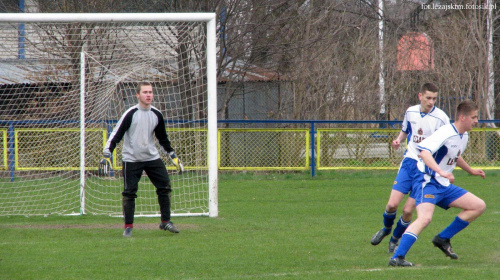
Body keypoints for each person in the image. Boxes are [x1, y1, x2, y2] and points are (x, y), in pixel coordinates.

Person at [389, 100, 486, 266]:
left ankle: (443, 238)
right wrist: (440, 172)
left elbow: (454, 155)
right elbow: (424, 153)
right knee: (424, 219)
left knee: (478, 206)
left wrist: (470, 170)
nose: (476, 120)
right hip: (427, 181)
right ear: (462, 117)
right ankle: (397, 257)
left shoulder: (464, 135)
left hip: (443, 184)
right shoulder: (446, 132)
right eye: (474, 117)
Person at [371, 83, 450, 253]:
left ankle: (395, 239)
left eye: (434, 98)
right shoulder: (411, 111)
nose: (431, 102)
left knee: (407, 210)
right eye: (428, 98)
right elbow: (406, 130)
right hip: (409, 162)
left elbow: (446, 144)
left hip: (425, 170)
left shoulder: (441, 118)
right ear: (420, 95)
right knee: (392, 205)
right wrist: (398, 140)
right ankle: (386, 229)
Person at [103, 81, 182, 237]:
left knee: (165, 186)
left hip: (152, 157)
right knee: (129, 192)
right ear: (138, 95)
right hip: (131, 159)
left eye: (151, 92)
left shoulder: (157, 114)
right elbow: (116, 135)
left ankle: (166, 222)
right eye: (145, 92)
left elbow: (162, 138)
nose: (149, 95)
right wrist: (107, 154)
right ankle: (128, 227)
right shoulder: (130, 113)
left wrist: (173, 155)